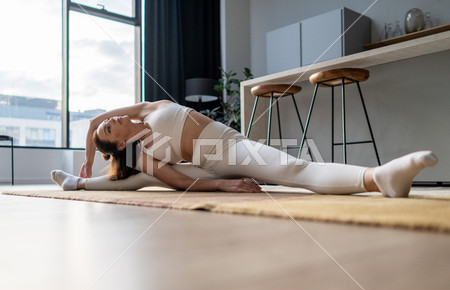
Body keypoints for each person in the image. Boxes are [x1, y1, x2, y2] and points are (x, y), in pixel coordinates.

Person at [52, 100, 438, 197]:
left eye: (108, 120)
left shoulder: (145, 107)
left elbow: (89, 124)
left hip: (230, 144)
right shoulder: (137, 150)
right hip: (216, 162)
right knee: (297, 170)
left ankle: (77, 182)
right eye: (107, 128)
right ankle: (378, 178)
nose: (107, 120)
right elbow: (174, 181)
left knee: (294, 167)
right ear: (117, 141)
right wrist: (221, 186)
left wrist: (87, 160)